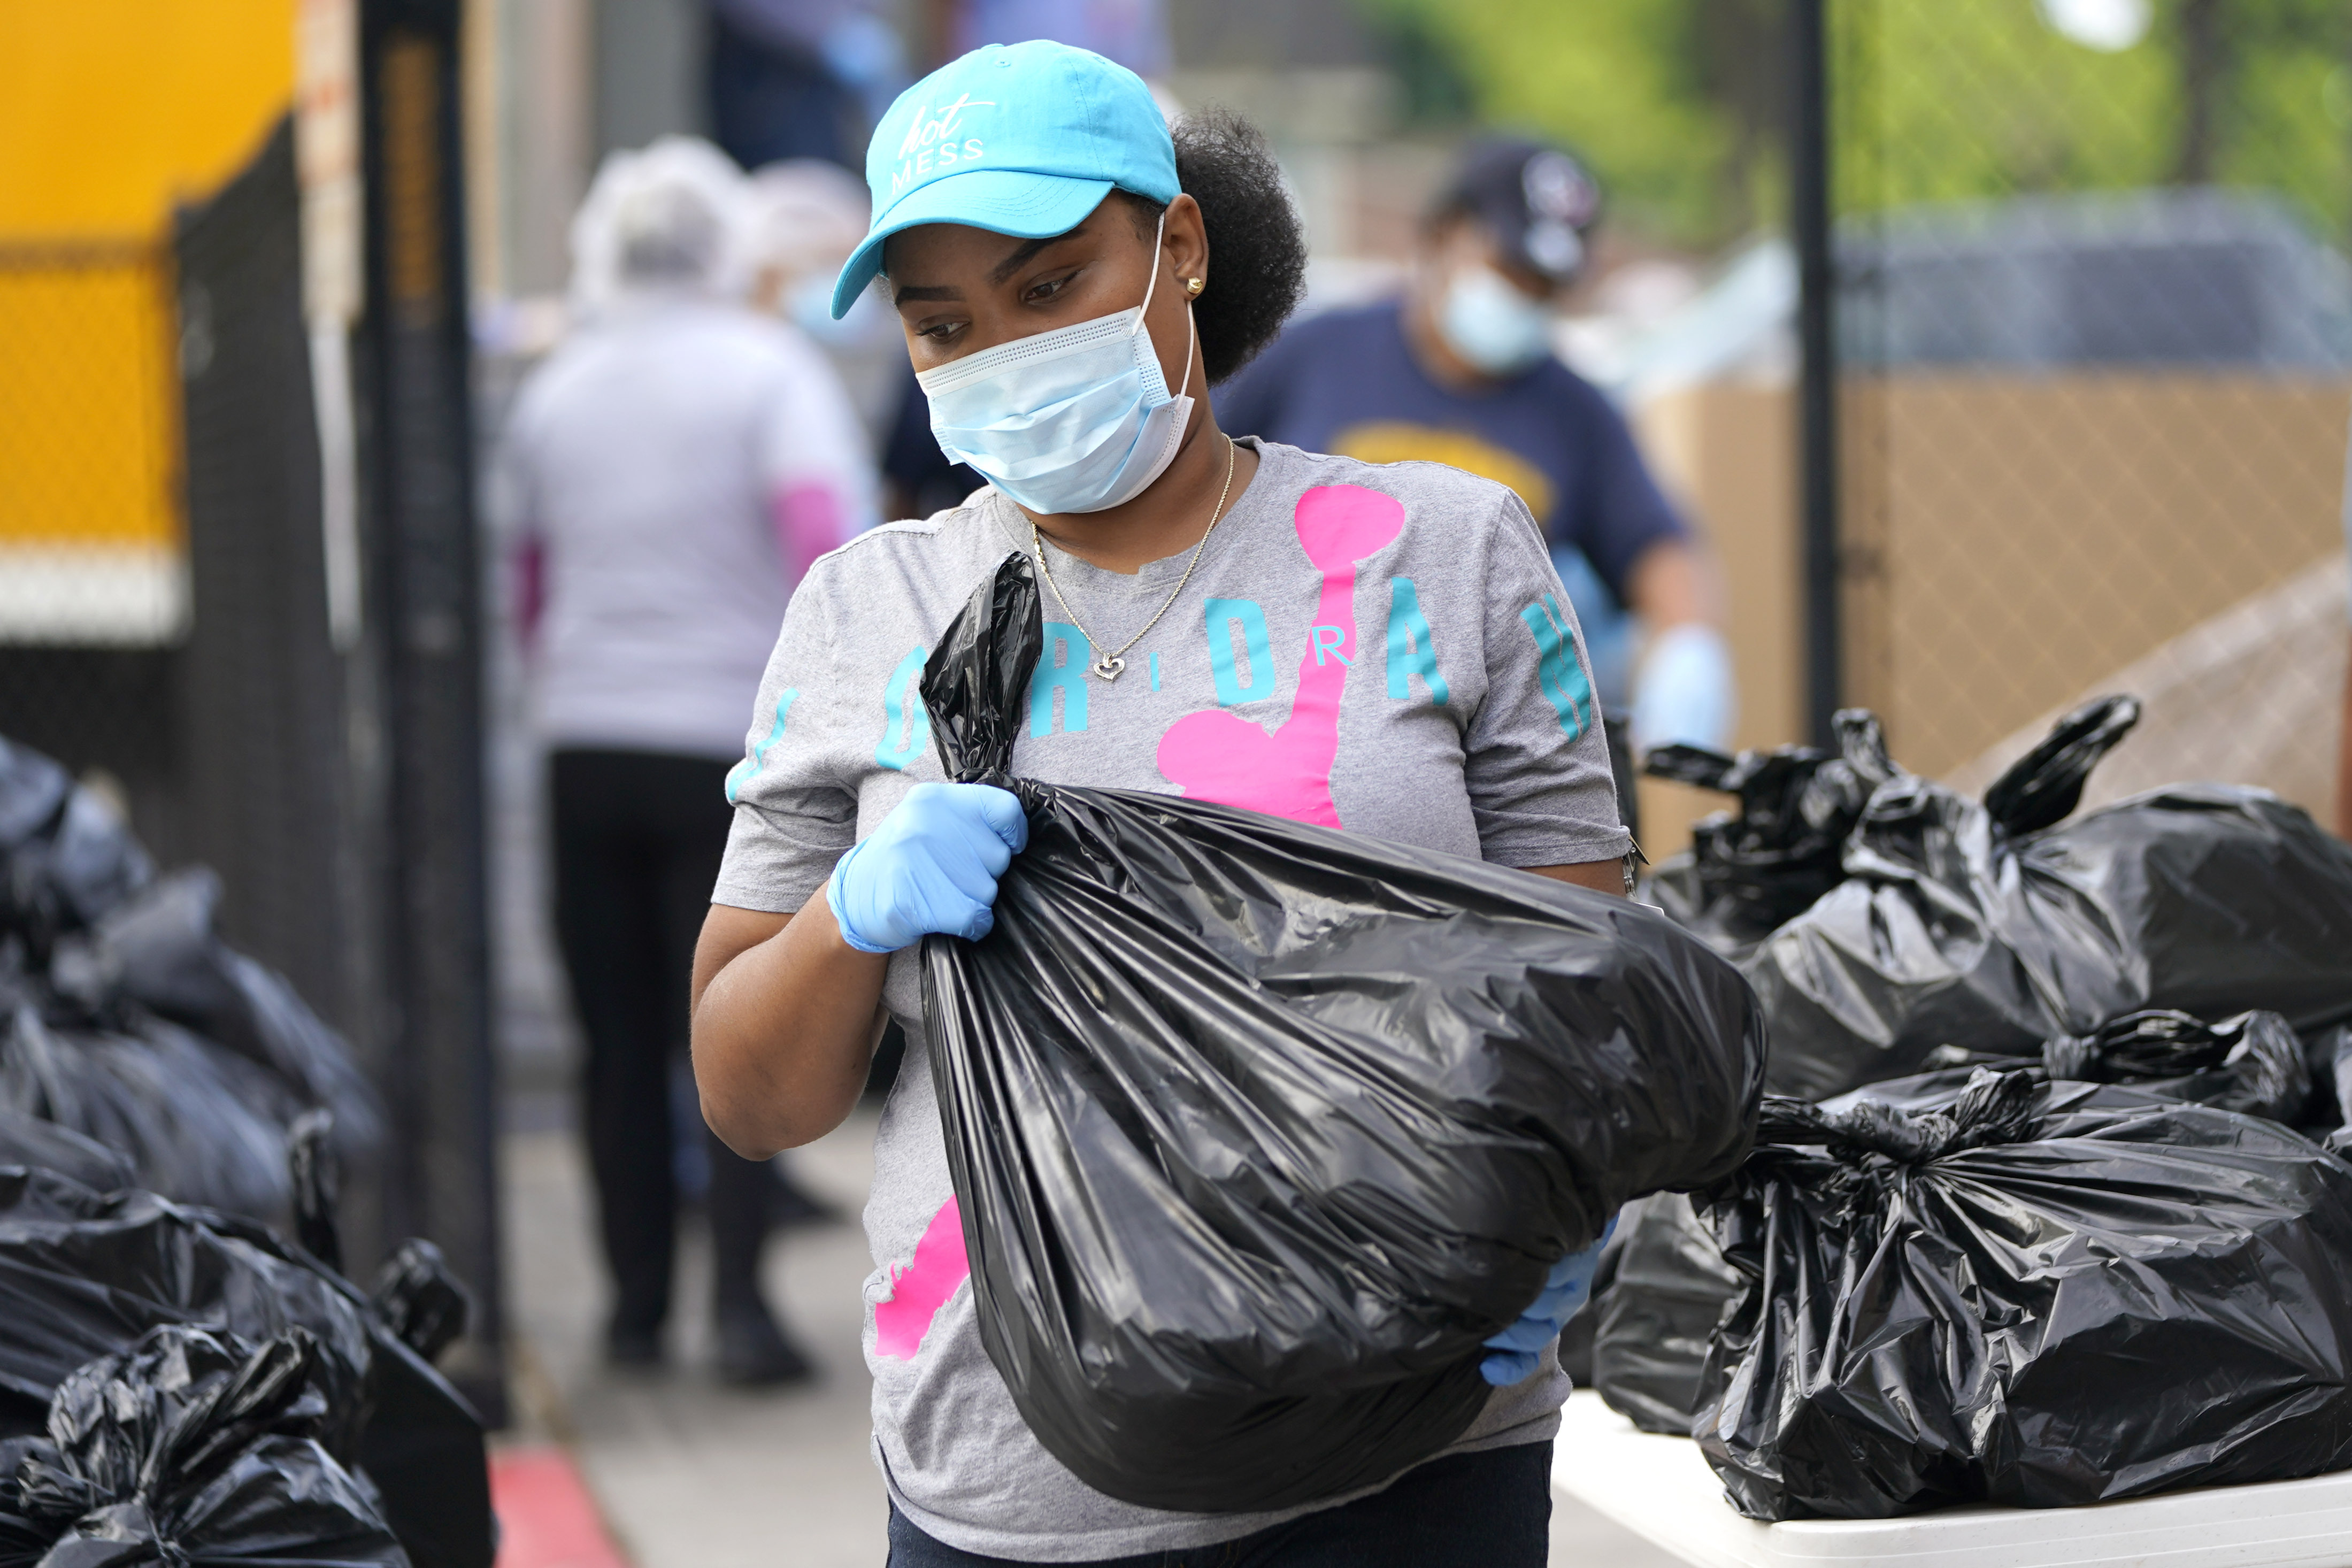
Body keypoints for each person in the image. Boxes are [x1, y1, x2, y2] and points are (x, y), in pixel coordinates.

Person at [692, 42, 1625, 1564]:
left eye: (1048, 285)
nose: (999, 347)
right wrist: (848, 912)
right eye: (944, 323)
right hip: (1016, 1473)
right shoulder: (870, 610)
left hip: (1411, 1449)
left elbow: (1594, 1010)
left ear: (1176, 244)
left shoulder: (1442, 559)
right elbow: (749, 1095)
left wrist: (1565, 1233)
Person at [505, 136, 878, 1385]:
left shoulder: (555, 388)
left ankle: (631, 1309)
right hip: (731, 751)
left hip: (584, 745)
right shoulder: (769, 375)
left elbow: (528, 582)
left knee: (614, 1037)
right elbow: (828, 548)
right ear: (731, 244)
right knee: (738, 1022)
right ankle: (741, 1308)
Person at [1218, 136, 1736, 758]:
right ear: (1444, 235)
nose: (1524, 299)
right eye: (1510, 271)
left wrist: (1690, 646)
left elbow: (1658, 546)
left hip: (1481, 734)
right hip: (1293, 706)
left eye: (1545, 286)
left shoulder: (1575, 411)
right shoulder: (1313, 355)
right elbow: (1204, 473)